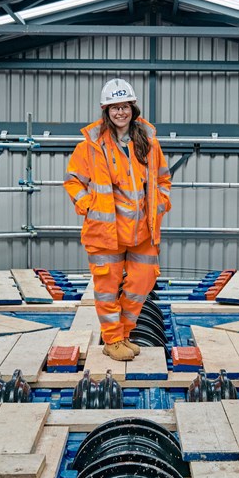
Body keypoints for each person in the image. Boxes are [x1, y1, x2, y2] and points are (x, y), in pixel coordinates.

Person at [64, 79, 172, 361]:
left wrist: (160, 203)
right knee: (107, 289)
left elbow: (163, 179)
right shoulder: (90, 146)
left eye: (124, 106)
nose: (120, 113)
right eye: (114, 108)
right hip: (105, 231)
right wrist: (88, 205)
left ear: (132, 109)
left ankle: (123, 334)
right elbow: (73, 181)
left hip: (142, 231)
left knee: (142, 283)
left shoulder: (148, 143)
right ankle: (112, 340)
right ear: (106, 111)